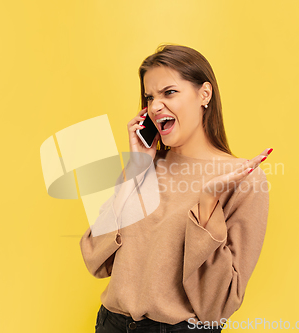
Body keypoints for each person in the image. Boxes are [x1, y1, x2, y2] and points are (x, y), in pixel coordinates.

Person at [80, 44, 272, 333]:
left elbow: (217, 306)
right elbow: (95, 256)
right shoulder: (145, 166)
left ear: (204, 94)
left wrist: (208, 204)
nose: (155, 106)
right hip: (111, 324)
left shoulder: (243, 179)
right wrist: (135, 171)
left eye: (169, 93)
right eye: (150, 97)